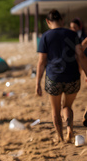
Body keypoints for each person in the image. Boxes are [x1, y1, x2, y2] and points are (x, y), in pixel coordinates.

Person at [36, 9, 87, 142]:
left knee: (55, 111)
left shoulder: (45, 37)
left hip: (54, 78)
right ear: (62, 21)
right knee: (67, 106)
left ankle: (60, 138)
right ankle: (69, 128)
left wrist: (38, 83)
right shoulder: (72, 34)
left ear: (48, 22)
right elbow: (81, 55)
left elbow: (42, 62)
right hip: (72, 78)